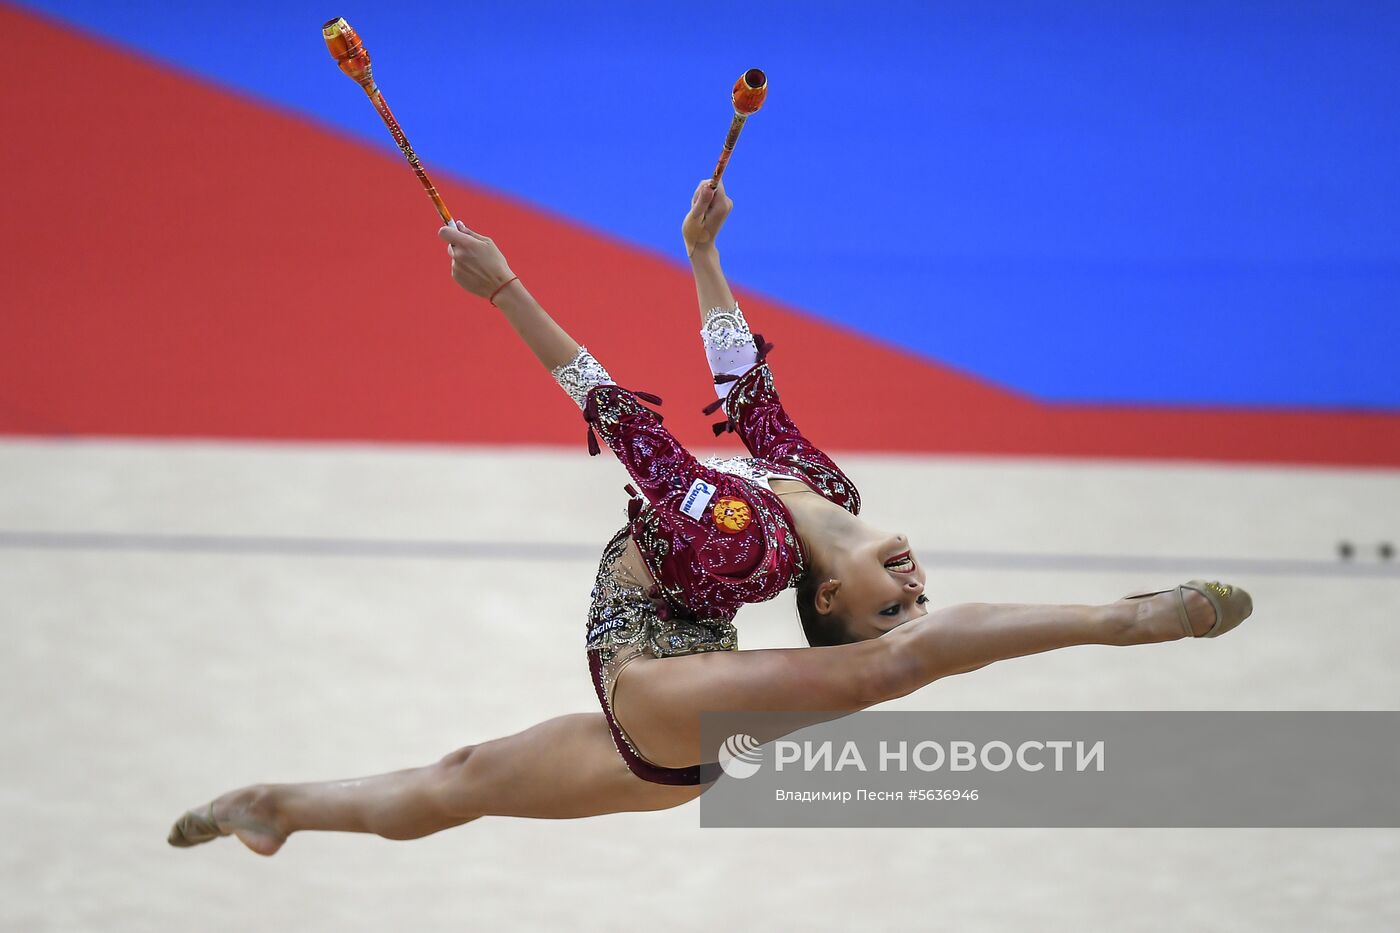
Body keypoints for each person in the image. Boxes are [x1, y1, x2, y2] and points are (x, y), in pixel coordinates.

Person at [168, 179, 1253, 855]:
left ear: (828, 600)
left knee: (889, 675)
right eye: (915, 598)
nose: (914, 587)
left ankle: (1130, 619)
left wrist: (502, 290)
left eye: (894, 604)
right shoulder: (821, 494)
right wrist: (702, 255)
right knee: (455, 782)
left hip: (658, 688)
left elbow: (604, 403)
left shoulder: (731, 538)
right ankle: (272, 806)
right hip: (669, 734)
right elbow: (746, 392)